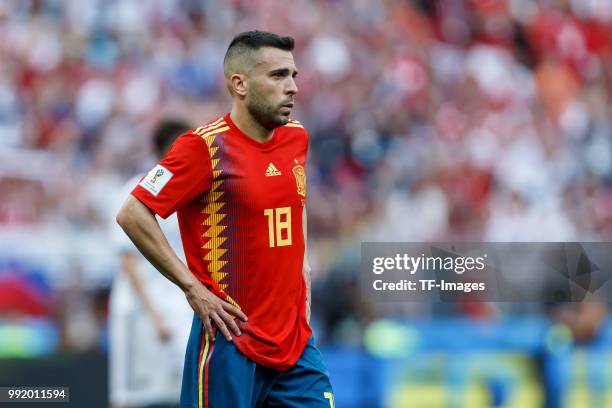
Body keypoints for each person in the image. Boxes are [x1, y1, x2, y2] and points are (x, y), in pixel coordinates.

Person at [116, 31, 334, 408]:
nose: (293, 87)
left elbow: (292, 201)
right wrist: (192, 288)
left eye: (294, 75)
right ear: (240, 84)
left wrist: (303, 263)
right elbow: (133, 212)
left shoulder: (296, 138)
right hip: (231, 340)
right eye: (278, 76)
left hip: (296, 343)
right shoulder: (203, 148)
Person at [109, 120, 193, 408]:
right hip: (140, 313)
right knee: (133, 397)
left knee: (183, 393)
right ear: (168, 150)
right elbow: (128, 262)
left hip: (181, 309)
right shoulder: (134, 192)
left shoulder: (192, 193)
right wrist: (154, 315)